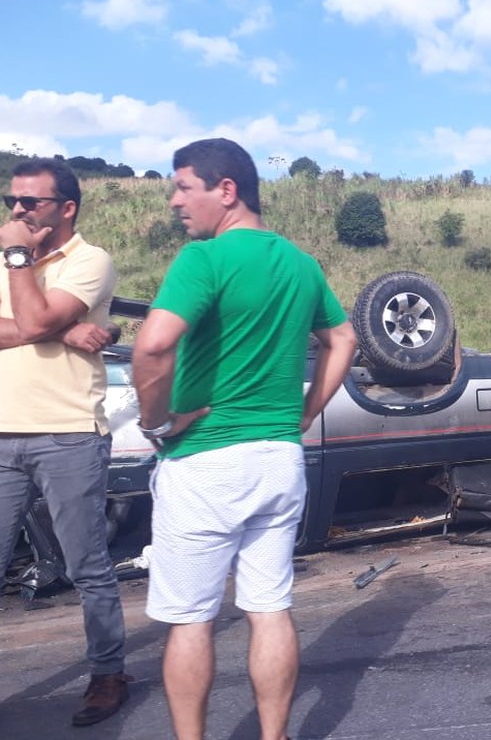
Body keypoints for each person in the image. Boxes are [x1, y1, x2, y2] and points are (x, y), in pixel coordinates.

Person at [132, 138, 357, 740]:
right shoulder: (300, 263)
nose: (175, 200)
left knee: (190, 621)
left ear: (225, 190)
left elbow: (152, 346)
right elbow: (345, 340)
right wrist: (306, 414)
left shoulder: (203, 260)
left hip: (206, 461)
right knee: (269, 605)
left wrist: (156, 424)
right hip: (278, 460)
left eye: (184, 186)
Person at [0, 158, 129, 727]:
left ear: (67, 207)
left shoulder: (90, 261)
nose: (18, 212)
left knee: (86, 567)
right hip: (2, 432)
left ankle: (108, 673)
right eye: (12, 203)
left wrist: (19, 261)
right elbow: (31, 324)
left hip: (69, 434)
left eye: (31, 202)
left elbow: (28, 321)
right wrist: (62, 327)